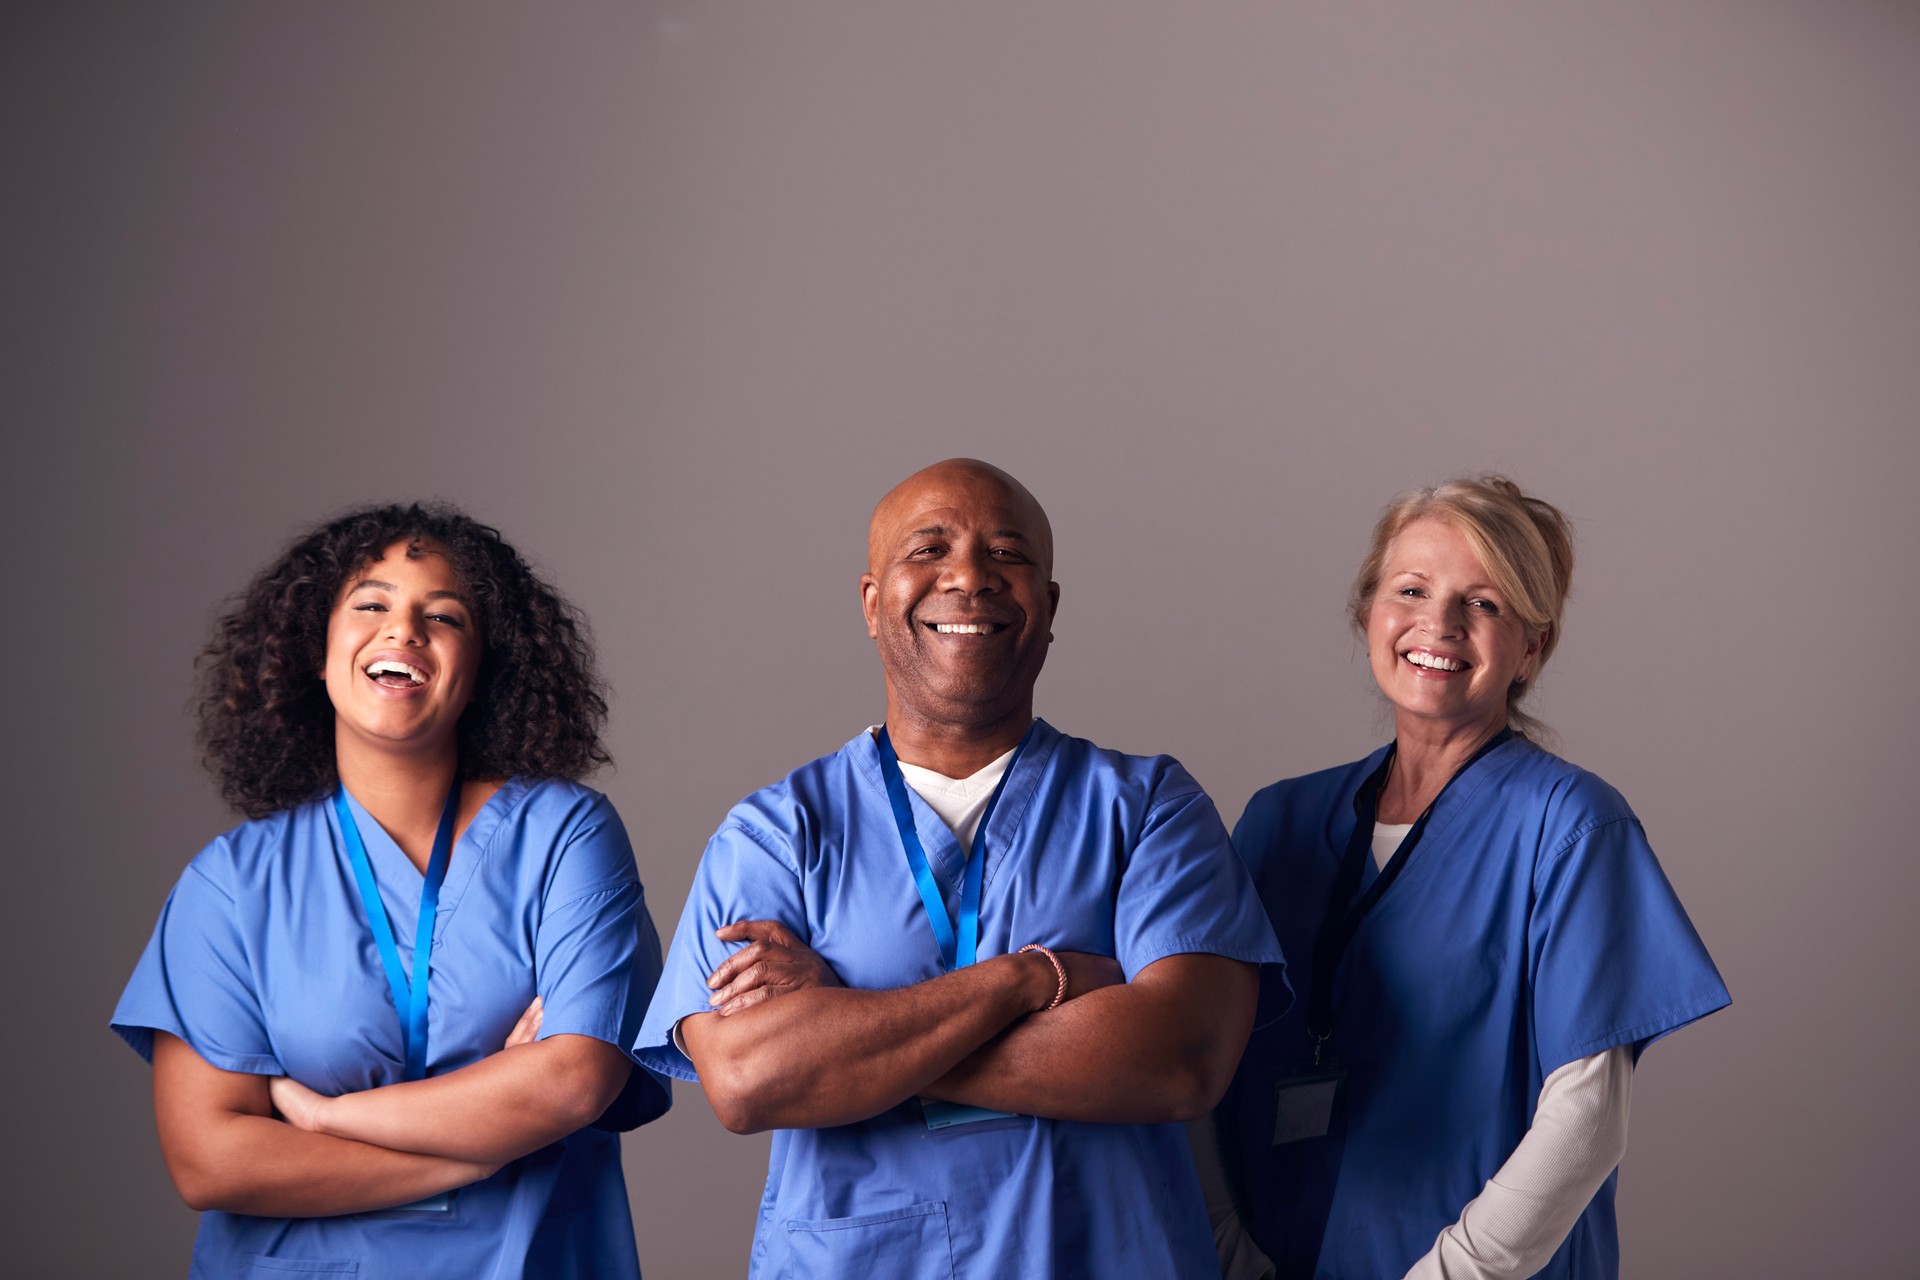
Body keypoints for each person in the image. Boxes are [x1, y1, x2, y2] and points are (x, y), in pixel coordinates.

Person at [634, 458, 1286, 1278]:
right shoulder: (776, 833)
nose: (970, 576)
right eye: (929, 549)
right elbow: (751, 1081)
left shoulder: (1148, 806)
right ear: (873, 605)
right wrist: (1027, 981)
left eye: (1007, 554)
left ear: (1048, 609)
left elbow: (1180, 1059)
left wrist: (845, 1032)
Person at [112, 503, 669, 1279]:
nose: (403, 631)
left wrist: (323, 1117)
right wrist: (478, 1152)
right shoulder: (232, 883)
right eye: (371, 604)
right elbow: (210, 1160)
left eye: (443, 616)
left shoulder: (563, 836)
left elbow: (574, 1080)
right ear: (317, 648)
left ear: (481, 671)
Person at [1211, 476, 1730, 1280]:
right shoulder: (1277, 824)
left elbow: (1586, 1119)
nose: (1439, 624)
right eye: (1411, 589)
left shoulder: (1572, 826)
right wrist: (1230, 1253)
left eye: (1484, 604)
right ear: (1367, 613)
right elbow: (1196, 1056)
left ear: (1532, 645)